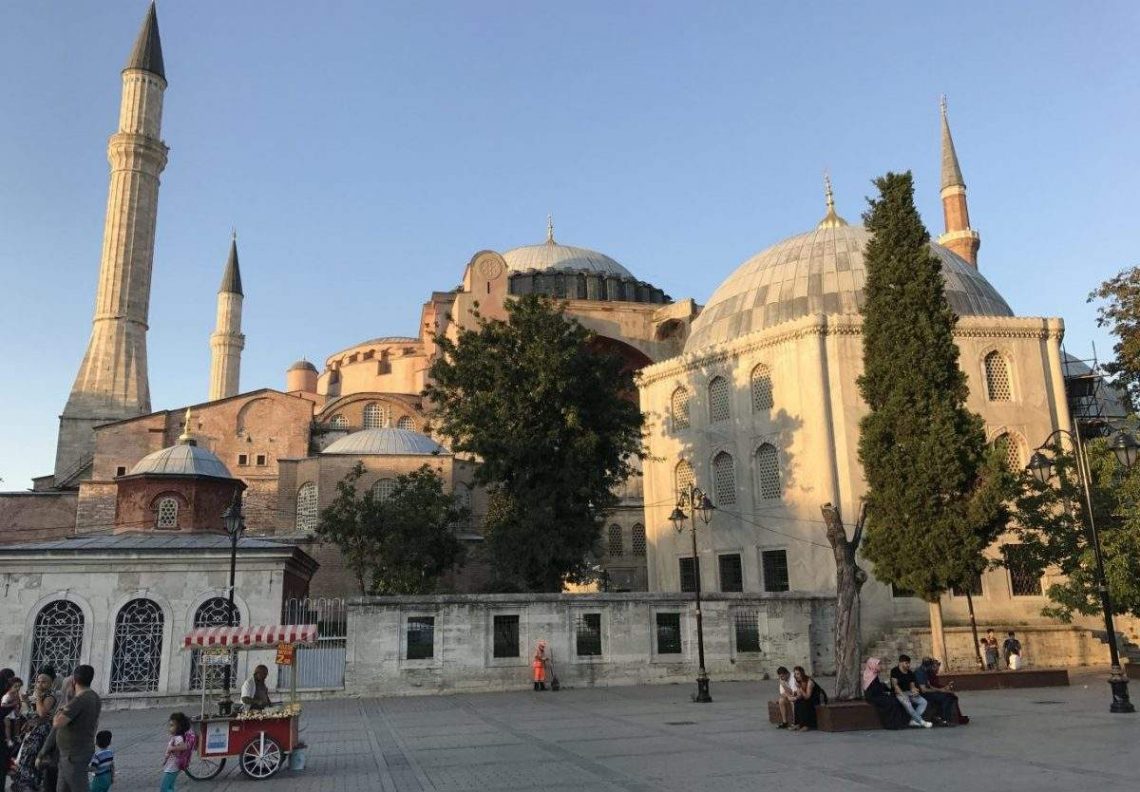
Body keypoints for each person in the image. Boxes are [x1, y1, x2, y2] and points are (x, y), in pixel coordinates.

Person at [41, 663, 100, 792]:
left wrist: (62, 709)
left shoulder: (78, 701)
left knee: (79, 787)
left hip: (73, 755)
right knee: (62, 787)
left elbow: (57, 723)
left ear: (74, 681)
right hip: (74, 752)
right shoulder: (94, 696)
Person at [11, 679, 57, 792]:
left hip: (40, 734)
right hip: (32, 733)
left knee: (32, 762)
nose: (40, 684)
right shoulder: (39, 696)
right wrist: (26, 702)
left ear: (51, 683)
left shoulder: (49, 697)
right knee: (24, 762)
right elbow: (33, 714)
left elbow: (41, 714)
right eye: (38, 681)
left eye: (43, 681)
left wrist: (38, 698)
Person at [862, 658, 910, 730]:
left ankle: (898, 723)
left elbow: (878, 686)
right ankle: (891, 725)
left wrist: (885, 688)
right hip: (873, 696)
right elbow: (873, 689)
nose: (880, 666)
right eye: (878, 664)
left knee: (895, 701)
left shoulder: (874, 674)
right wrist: (885, 691)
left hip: (877, 695)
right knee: (892, 703)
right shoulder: (870, 675)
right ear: (872, 665)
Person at [889, 655, 931, 728]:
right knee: (908, 704)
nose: (908, 665)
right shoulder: (894, 671)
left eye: (909, 663)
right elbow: (895, 685)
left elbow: (912, 686)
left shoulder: (910, 673)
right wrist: (903, 695)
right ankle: (922, 722)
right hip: (898, 693)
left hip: (909, 692)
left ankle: (913, 721)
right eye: (906, 663)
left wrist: (915, 691)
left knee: (923, 701)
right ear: (900, 663)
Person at [915, 658, 956, 726]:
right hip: (922, 694)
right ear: (928, 666)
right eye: (931, 666)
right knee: (946, 698)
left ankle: (942, 717)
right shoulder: (919, 673)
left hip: (928, 692)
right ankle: (945, 719)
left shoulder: (925, 672)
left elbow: (930, 686)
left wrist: (941, 690)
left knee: (948, 695)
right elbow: (924, 690)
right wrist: (938, 691)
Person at [161, 713, 192, 792]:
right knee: (170, 787)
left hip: (173, 767)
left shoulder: (178, 738)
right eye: (170, 725)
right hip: (171, 766)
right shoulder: (175, 737)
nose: (170, 728)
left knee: (164, 788)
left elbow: (184, 747)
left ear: (179, 727)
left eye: (172, 726)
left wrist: (172, 748)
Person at [790, 666, 823, 731]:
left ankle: (806, 725)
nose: (796, 676)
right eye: (795, 674)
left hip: (816, 698)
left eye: (798, 674)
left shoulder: (809, 681)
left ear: (802, 674)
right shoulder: (799, 682)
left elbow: (808, 696)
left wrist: (800, 688)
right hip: (808, 698)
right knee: (797, 702)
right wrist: (794, 698)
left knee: (803, 703)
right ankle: (798, 723)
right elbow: (800, 695)